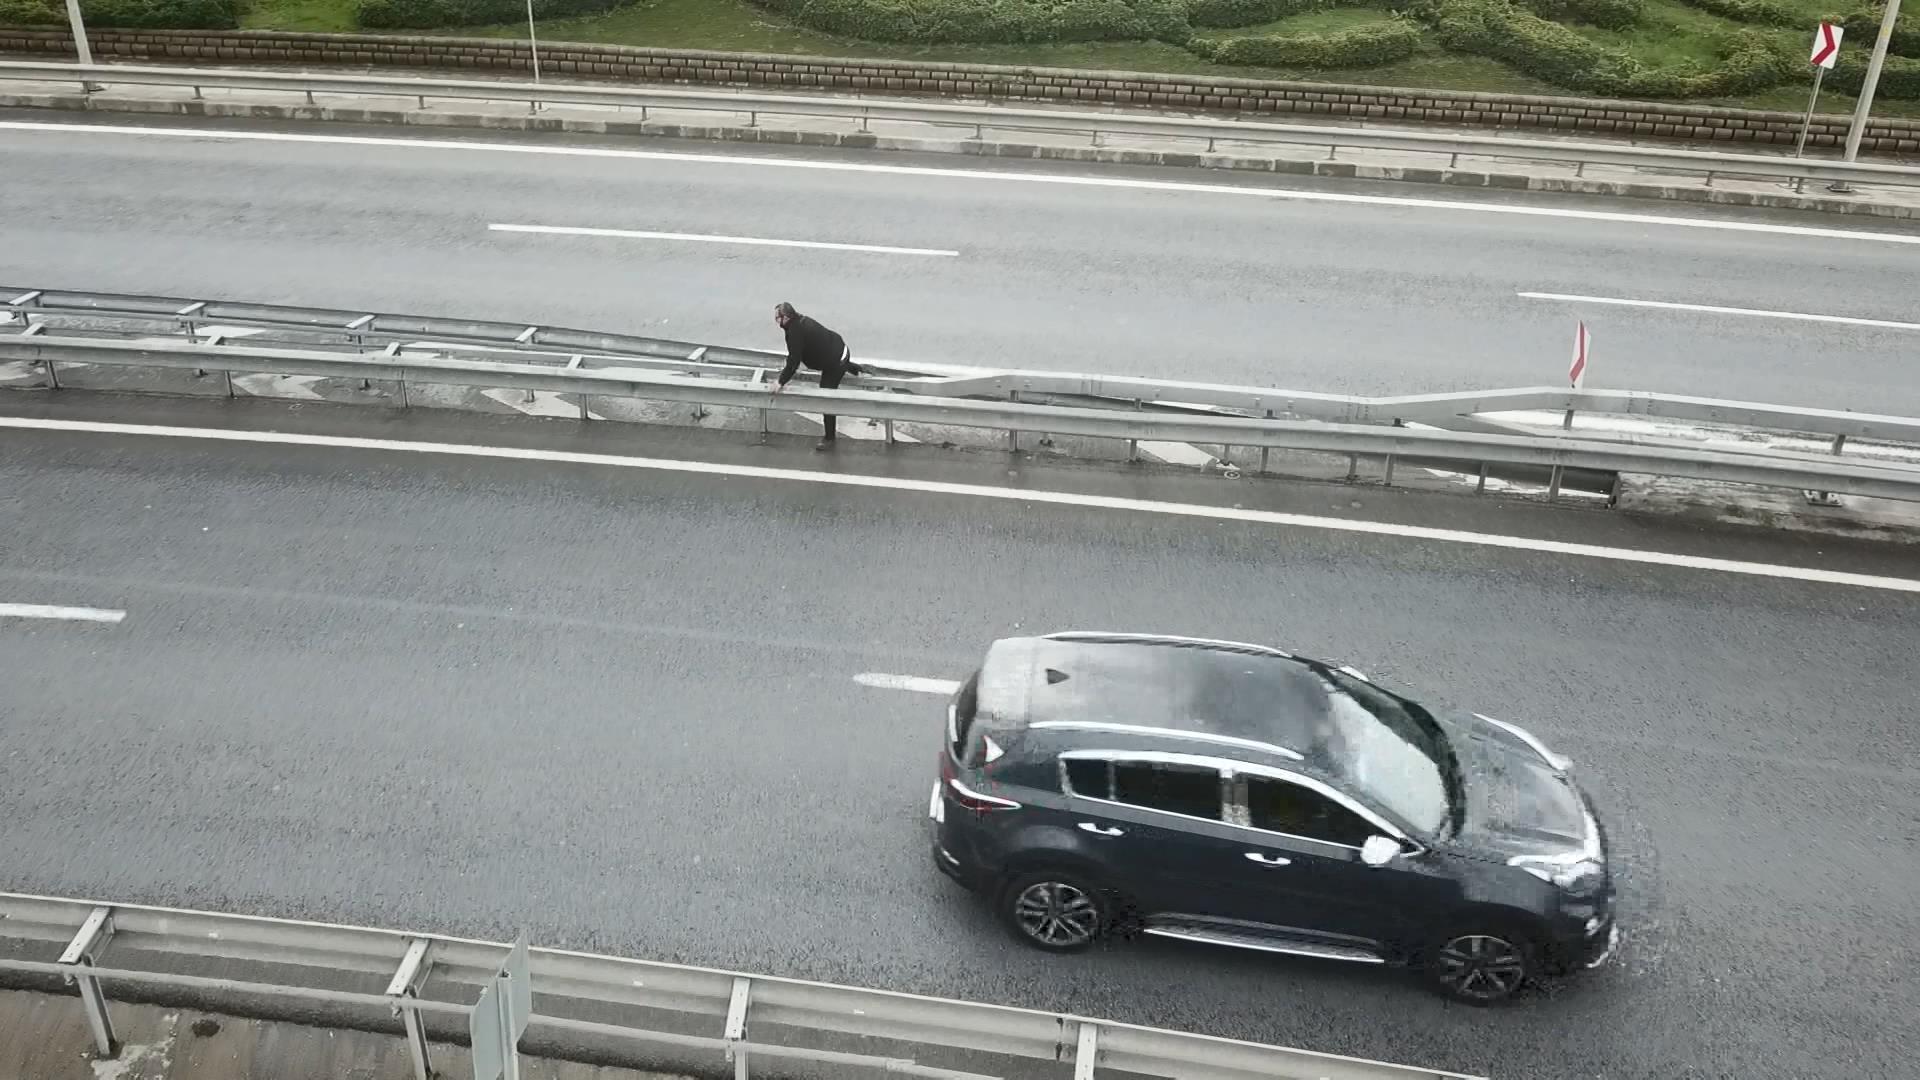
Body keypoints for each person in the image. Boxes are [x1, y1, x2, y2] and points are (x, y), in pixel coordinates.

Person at [771, 302, 865, 449]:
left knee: (826, 395)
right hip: (839, 348)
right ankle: (855, 368)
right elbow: (802, 350)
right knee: (834, 360)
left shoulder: (795, 331)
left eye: (777, 318)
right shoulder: (799, 321)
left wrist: (780, 382)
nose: (776, 321)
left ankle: (830, 438)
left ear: (786, 318)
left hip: (836, 359)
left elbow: (793, 361)